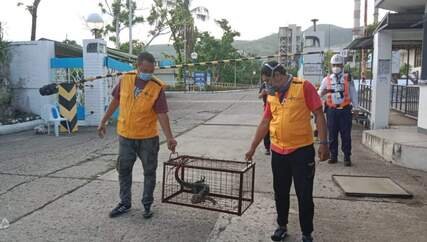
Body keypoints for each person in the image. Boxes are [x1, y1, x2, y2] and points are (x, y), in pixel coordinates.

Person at [245, 61, 329, 242]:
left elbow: (319, 114)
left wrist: (323, 143)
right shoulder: (272, 94)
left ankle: (307, 233)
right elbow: (265, 122)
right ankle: (281, 226)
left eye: (268, 80)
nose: (266, 84)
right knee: (280, 192)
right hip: (278, 152)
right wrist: (252, 147)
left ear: (278, 76)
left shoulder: (303, 87)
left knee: (304, 194)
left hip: (301, 152)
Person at [97, 52, 177, 219]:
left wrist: (170, 137)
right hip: (126, 136)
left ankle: (147, 204)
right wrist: (103, 121)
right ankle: (124, 203)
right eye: (145, 69)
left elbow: (162, 114)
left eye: (151, 70)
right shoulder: (125, 79)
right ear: (138, 66)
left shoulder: (157, 86)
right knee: (124, 170)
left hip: (147, 138)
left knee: (149, 171)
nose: (148, 73)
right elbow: (115, 101)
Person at [318, 54, 358, 166]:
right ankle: (333, 155)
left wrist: (356, 107)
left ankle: (347, 157)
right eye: (334, 65)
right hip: (332, 111)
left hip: (345, 110)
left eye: (338, 64)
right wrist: (323, 92)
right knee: (332, 134)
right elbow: (319, 93)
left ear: (342, 65)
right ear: (331, 66)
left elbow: (353, 93)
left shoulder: (348, 78)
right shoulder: (326, 79)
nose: (336, 67)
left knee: (346, 135)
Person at [258, 78, 271, 155]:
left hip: (278, 108)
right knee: (266, 128)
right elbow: (259, 96)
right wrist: (263, 93)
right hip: (267, 108)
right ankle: (267, 148)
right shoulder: (264, 85)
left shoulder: (277, 83)